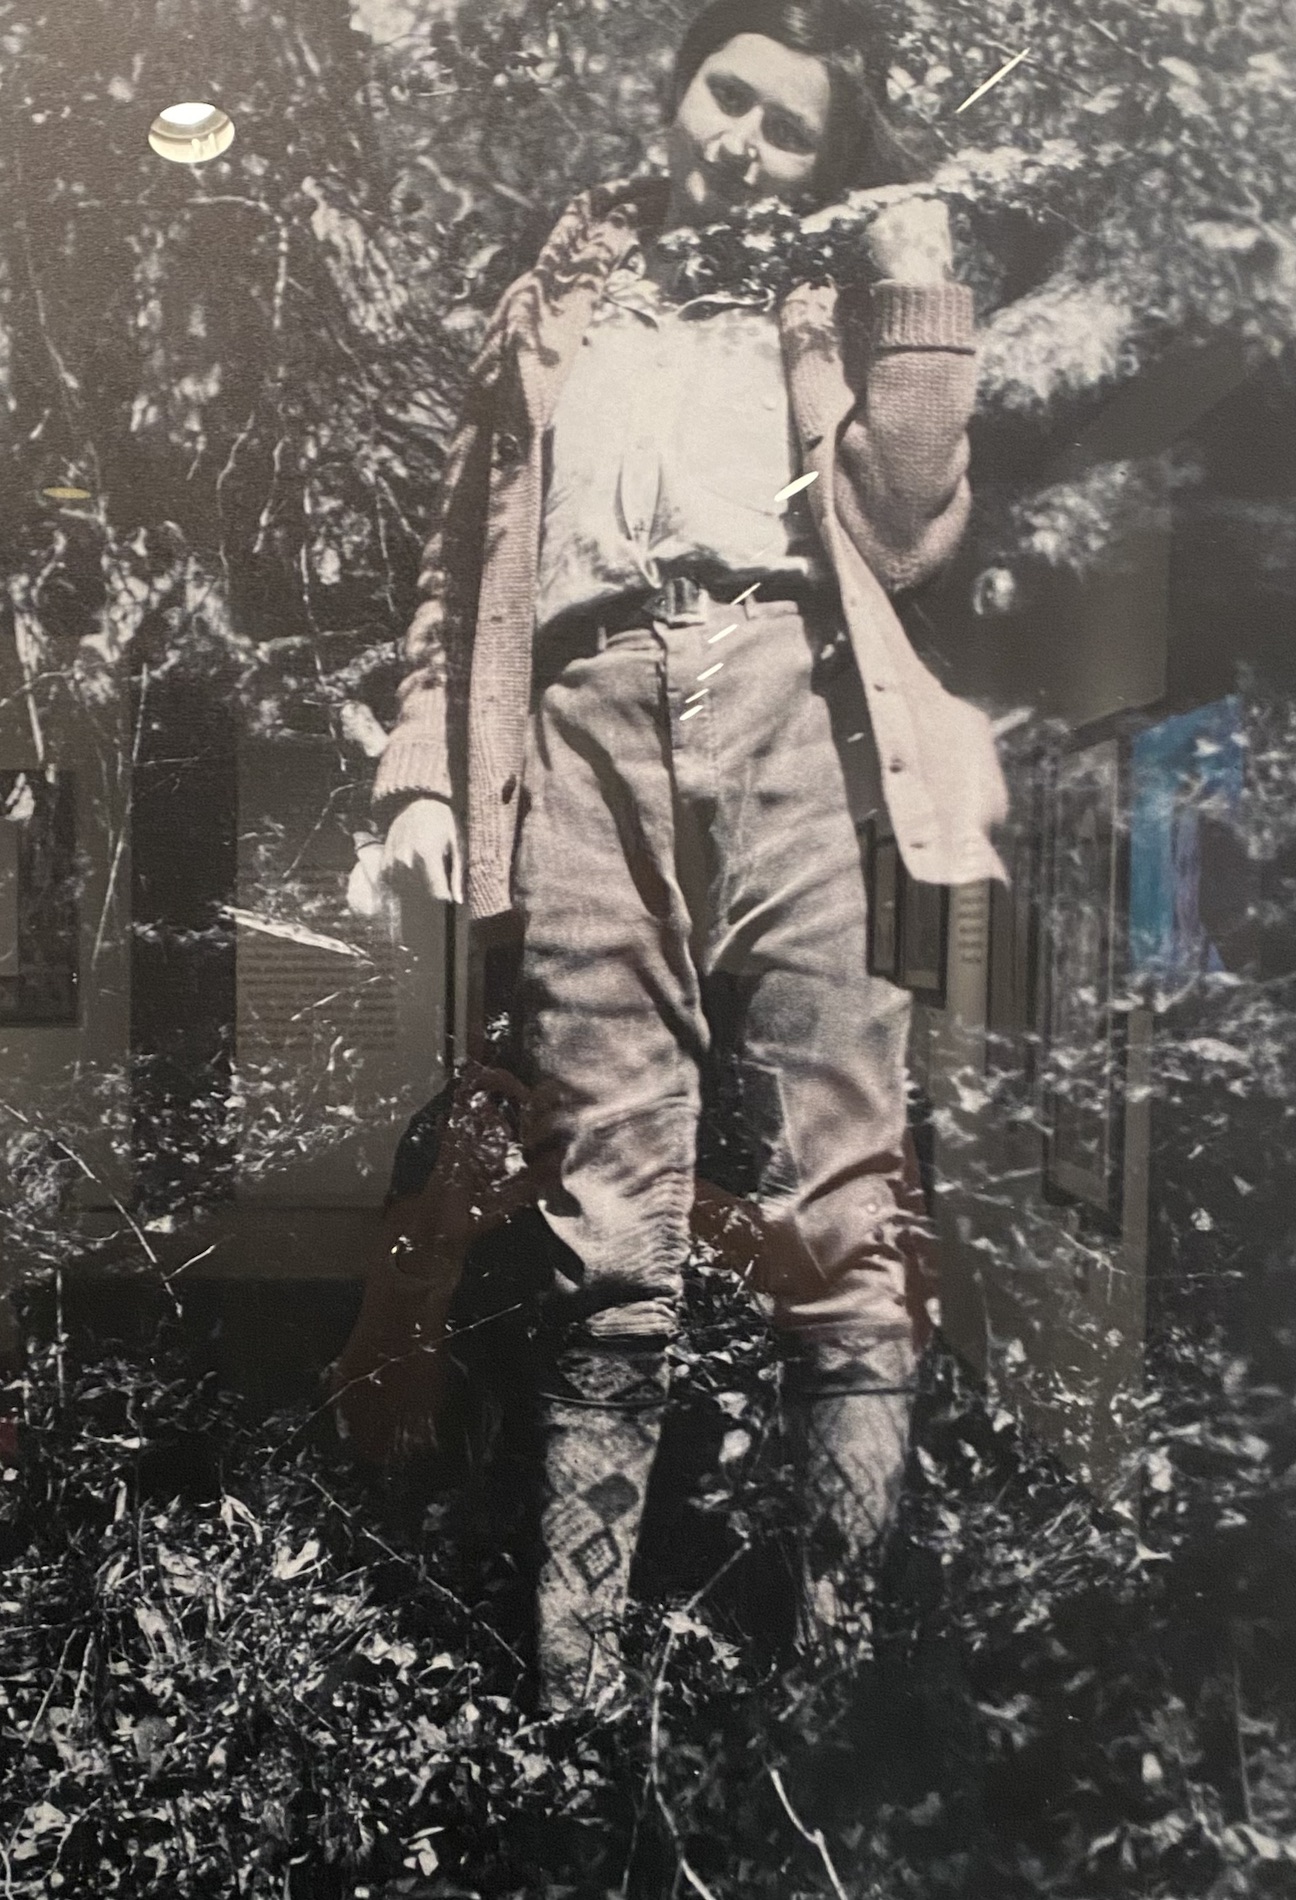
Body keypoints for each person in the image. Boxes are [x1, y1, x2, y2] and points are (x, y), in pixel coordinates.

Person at [370, 0, 1007, 1711]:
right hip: (581, 726)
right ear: (676, 96)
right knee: (607, 1214)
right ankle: (576, 1704)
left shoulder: (834, 309)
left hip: (796, 714)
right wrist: (424, 779)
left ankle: (833, 1695)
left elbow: (914, 531)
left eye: (789, 129)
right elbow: (460, 567)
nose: (743, 142)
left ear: (826, 162)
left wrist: (916, 284)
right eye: (727, 97)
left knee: (843, 1204)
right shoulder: (554, 305)